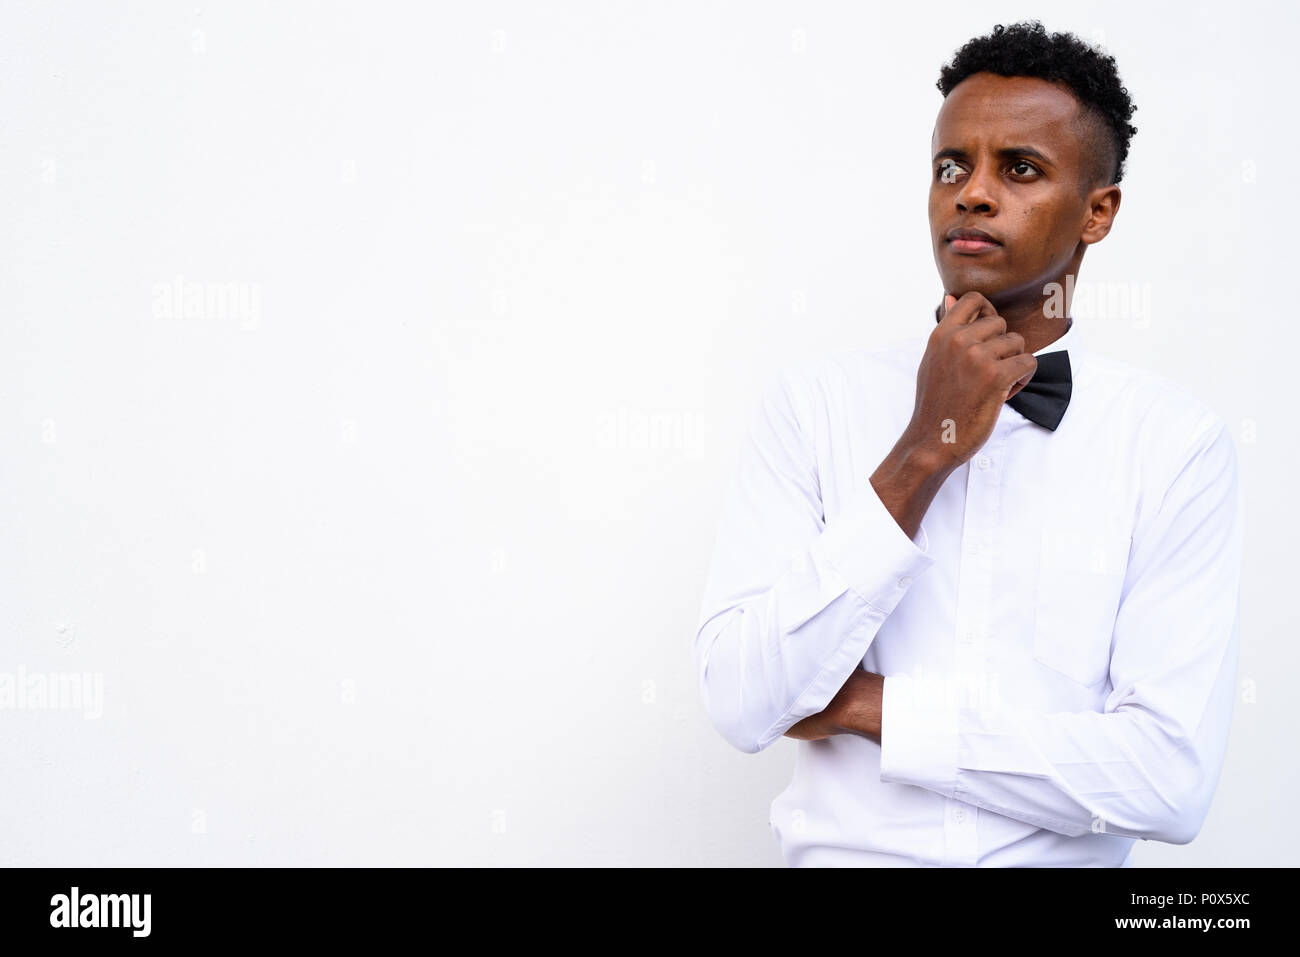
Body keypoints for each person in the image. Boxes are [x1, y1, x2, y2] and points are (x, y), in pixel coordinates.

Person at [692, 20, 1243, 867]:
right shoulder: (813, 407)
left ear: (1099, 211)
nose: (971, 193)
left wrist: (870, 706)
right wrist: (924, 448)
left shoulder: (1175, 445)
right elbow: (739, 699)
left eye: (1018, 168)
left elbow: (1168, 782)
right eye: (952, 165)